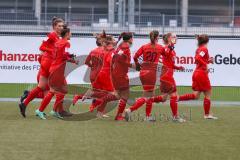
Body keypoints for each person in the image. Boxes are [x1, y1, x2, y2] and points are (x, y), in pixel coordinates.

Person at [18, 17, 64, 117]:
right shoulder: (52, 35)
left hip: (48, 63)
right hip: (49, 63)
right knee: (57, 88)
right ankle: (55, 111)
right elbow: (41, 47)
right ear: (54, 26)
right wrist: (53, 51)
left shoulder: (58, 37)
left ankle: (24, 104)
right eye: (59, 26)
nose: (61, 27)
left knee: (42, 87)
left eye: (62, 26)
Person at [35, 25, 78, 119]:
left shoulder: (58, 42)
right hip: (57, 70)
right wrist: (72, 59)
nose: (71, 34)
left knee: (62, 90)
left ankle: (54, 110)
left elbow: (61, 54)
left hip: (55, 68)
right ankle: (41, 110)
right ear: (67, 34)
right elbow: (63, 56)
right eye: (70, 33)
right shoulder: (66, 43)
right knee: (54, 91)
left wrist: (69, 57)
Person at [124, 30, 165, 121]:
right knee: (148, 95)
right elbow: (166, 55)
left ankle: (147, 115)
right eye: (158, 36)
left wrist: (138, 65)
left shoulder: (144, 46)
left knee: (149, 94)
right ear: (157, 37)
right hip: (151, 72)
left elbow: (135, 57)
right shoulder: (160, 47)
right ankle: (130, 110)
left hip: (143, 72)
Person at [147, 33, 186, 122]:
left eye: (176, 37)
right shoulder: (166, 48)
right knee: (174, 96)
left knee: (164, 98)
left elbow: (170, 64)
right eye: (173, 37)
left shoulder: (172, 50)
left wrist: (178, 67)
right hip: (167, 76)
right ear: (168, 38)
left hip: (167, 75)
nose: (176, 38)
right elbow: (166, 53)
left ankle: (147, 100)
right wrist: (170, 45)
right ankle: (175, 117)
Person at [178, 34, 218, 120]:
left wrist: (208, 61)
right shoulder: (204, 49)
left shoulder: (199, 49)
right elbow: (198, 58)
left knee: (196, 96)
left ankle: (178, 98)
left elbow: (199, 59)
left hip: (197, 73)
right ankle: (207, 115)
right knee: (208, 93)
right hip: (201, 74)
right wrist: (206, 63)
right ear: (207, 41)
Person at [111, 32, 133, 121]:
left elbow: (114, 58)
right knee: (125, 95)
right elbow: (124, 62)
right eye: (132, 38)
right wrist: (133, 66)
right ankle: (119, 115)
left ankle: (99, 99)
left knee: (118, 94)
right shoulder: (126, 48)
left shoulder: (120, 46)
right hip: (121, 75)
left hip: (116, 73)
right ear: (130, 39)